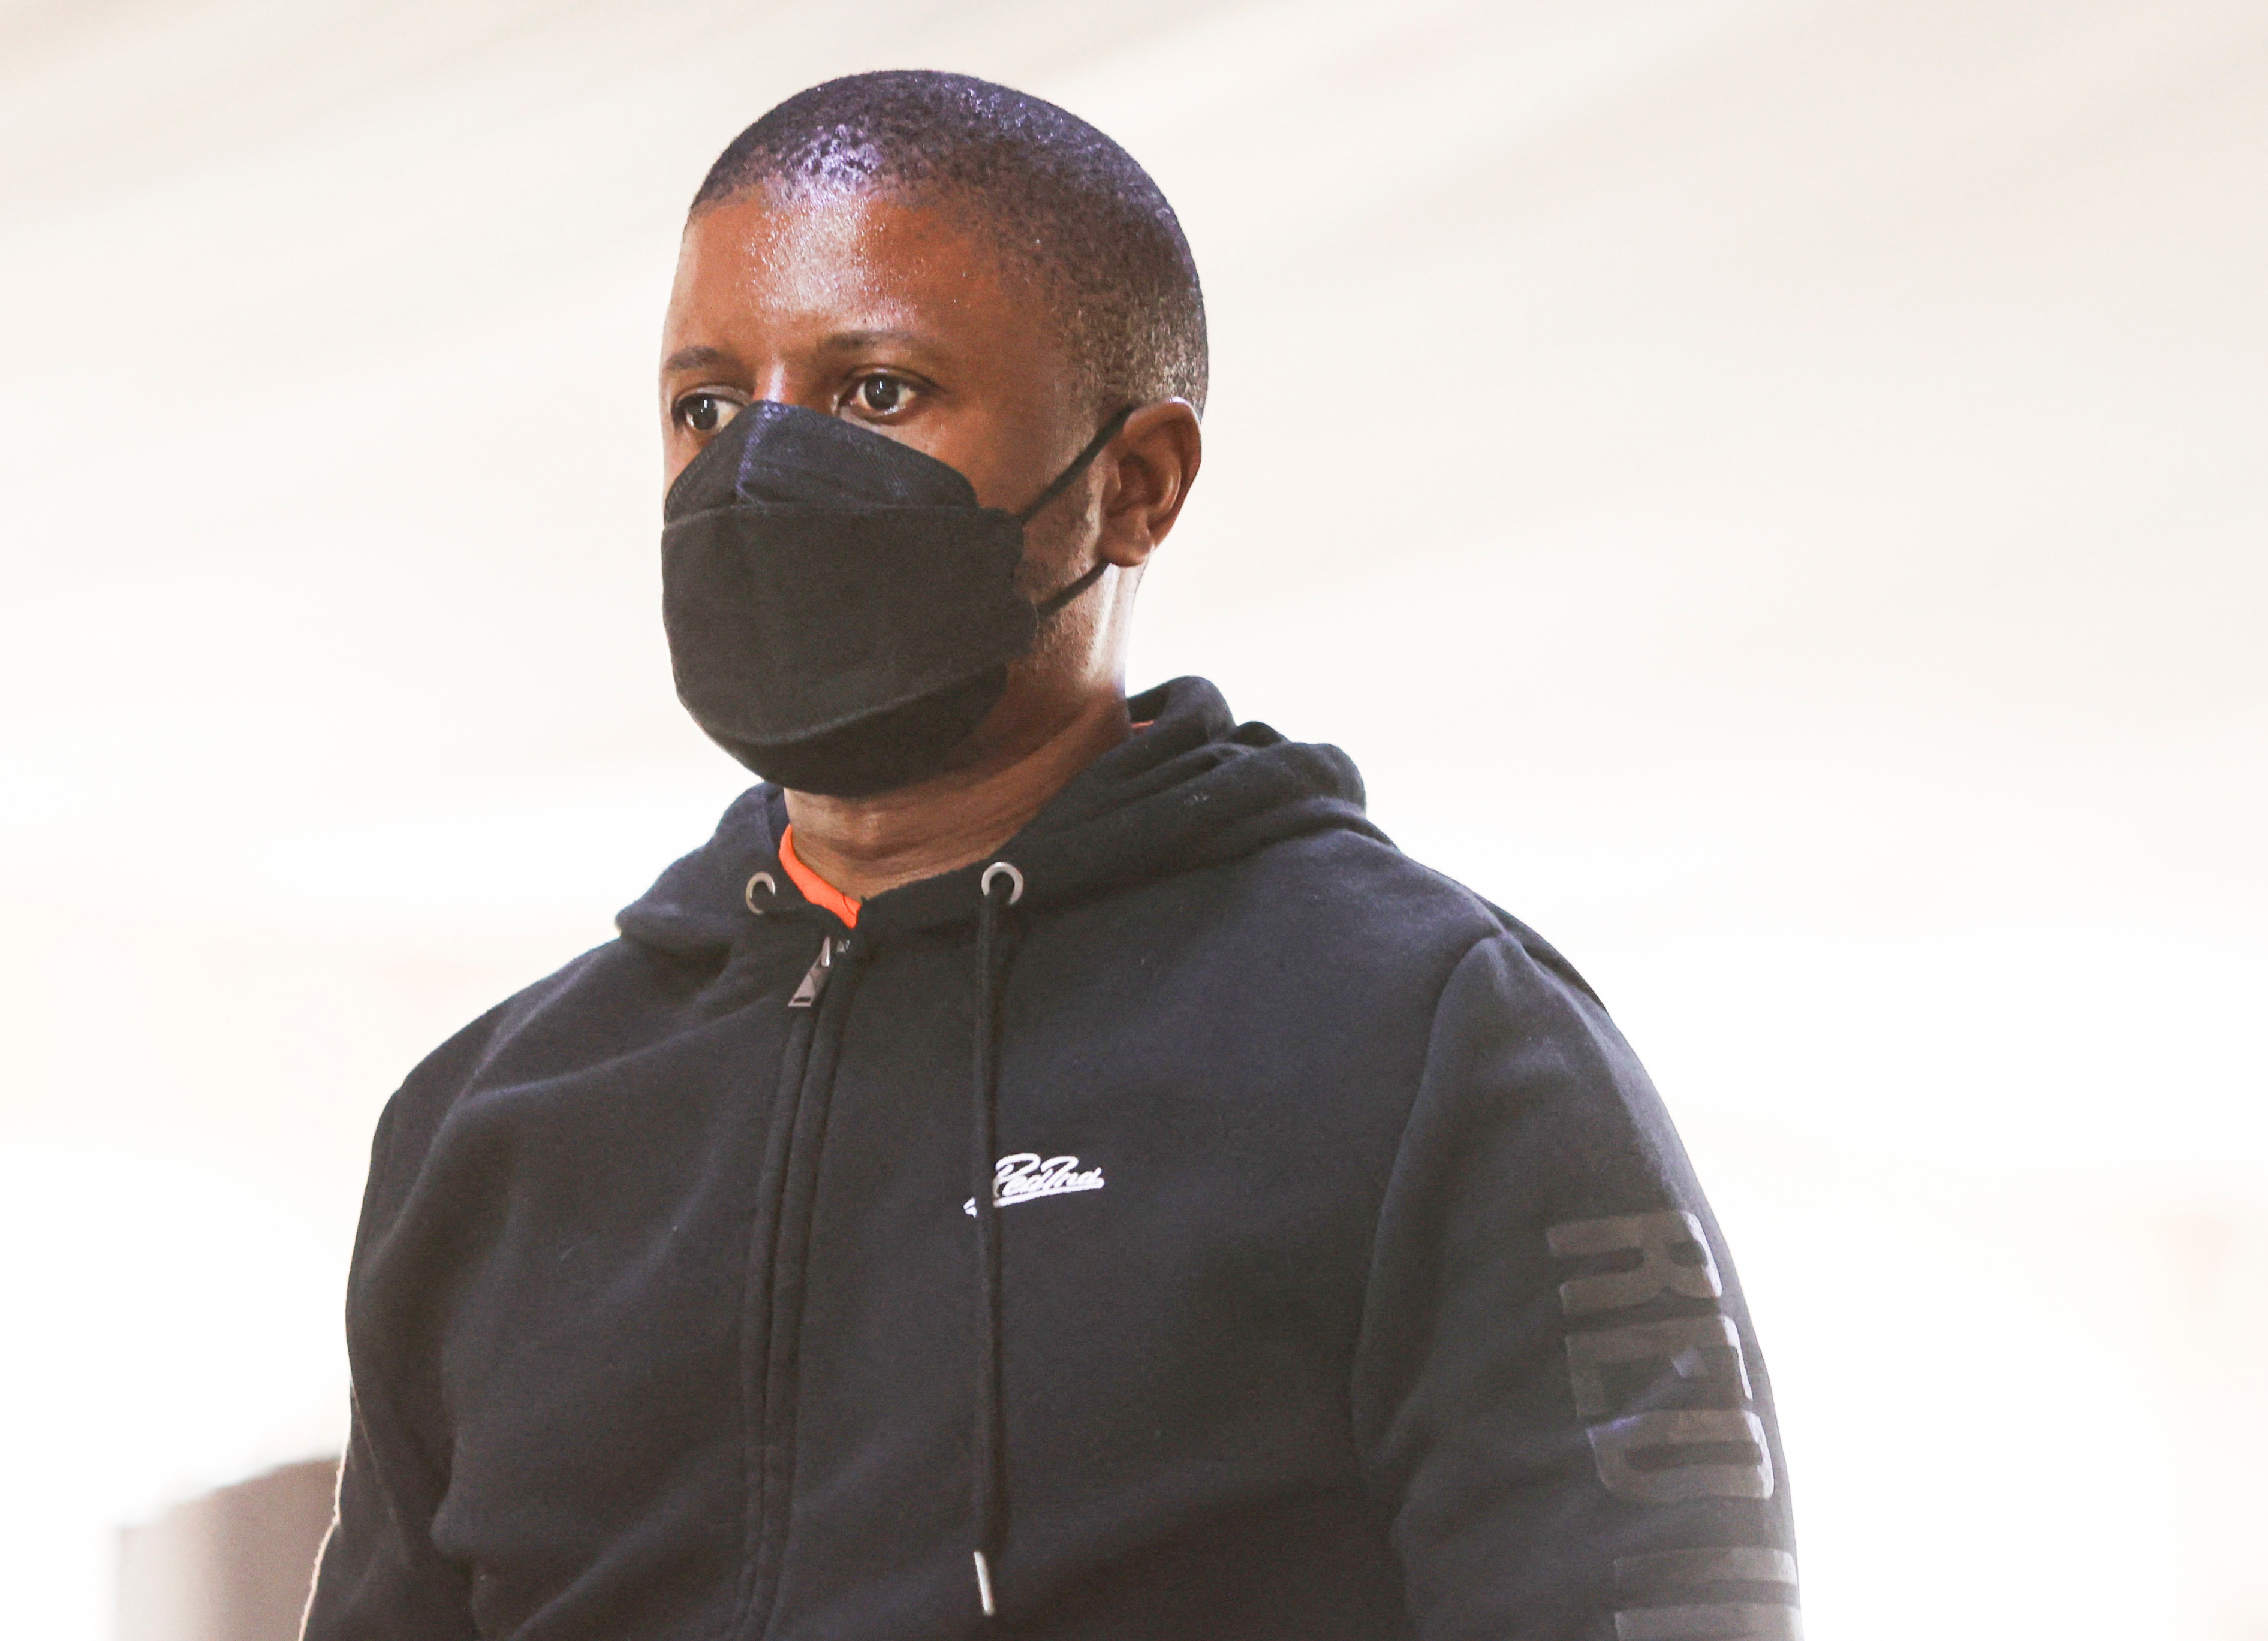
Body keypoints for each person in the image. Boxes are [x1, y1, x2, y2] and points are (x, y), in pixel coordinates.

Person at [302, 70, 1797, 1641]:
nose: (760, 468)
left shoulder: (1425, 1038)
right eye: (708, 404)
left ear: (1135, 484)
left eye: (877, 392)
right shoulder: (497, 1122)